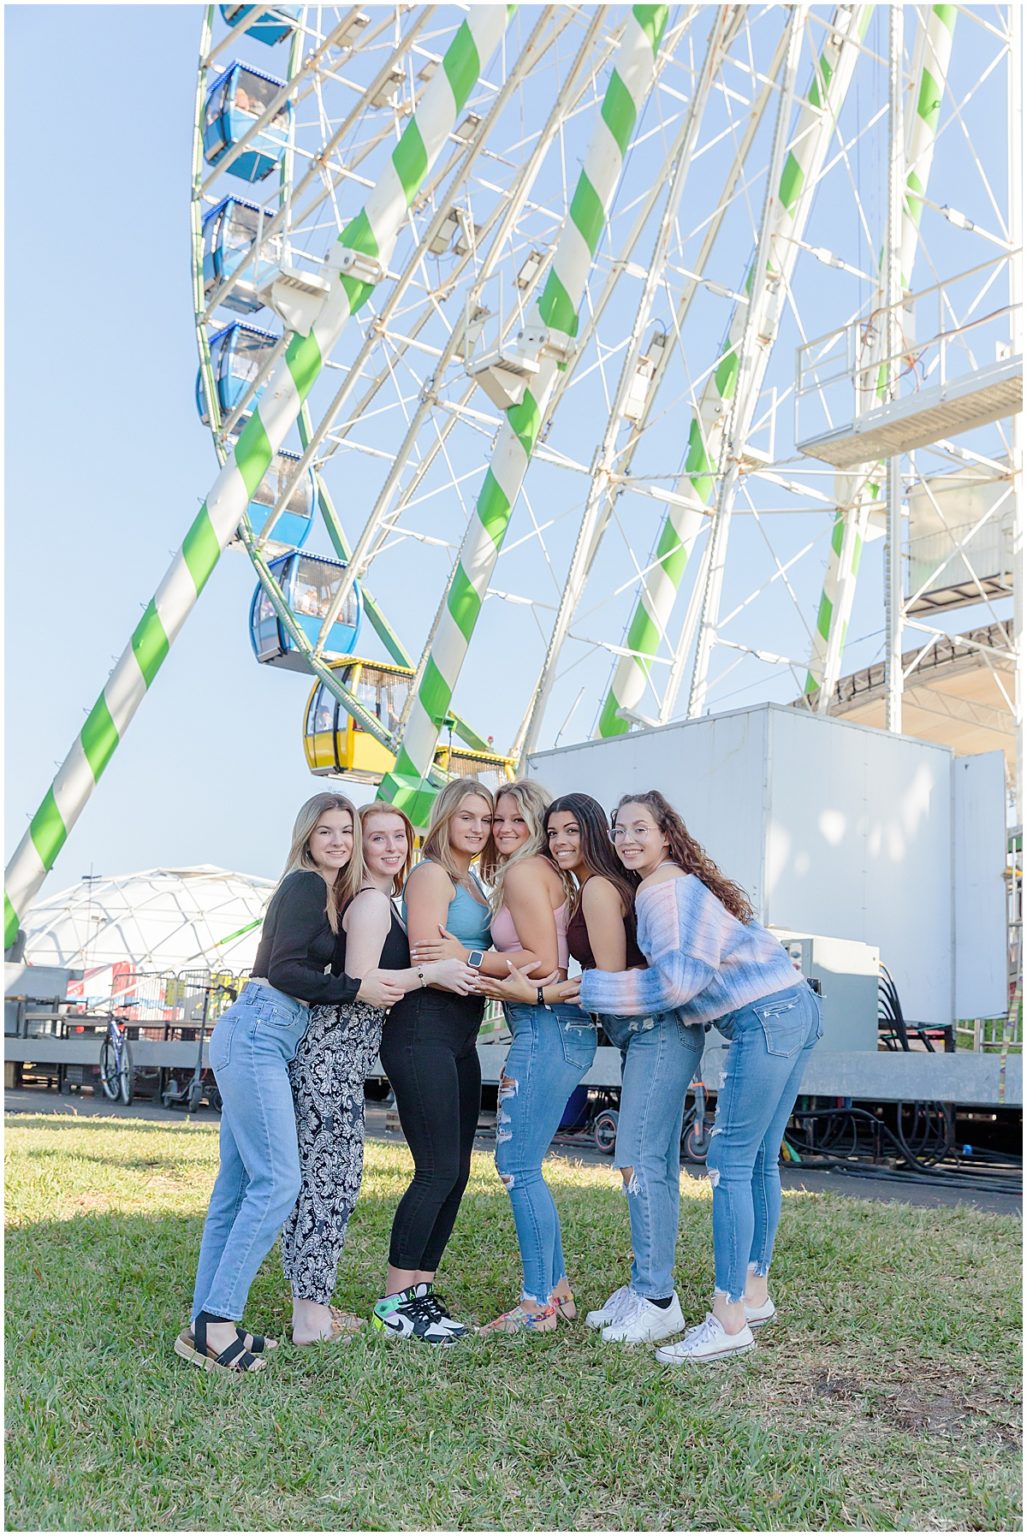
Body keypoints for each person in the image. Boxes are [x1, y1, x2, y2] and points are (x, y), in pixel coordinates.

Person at [572, 790, 822, 1364]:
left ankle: (729, 1319)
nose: (626, 839)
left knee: (730, 1165)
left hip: (766, 1016)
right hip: (795, 1007)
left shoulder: (662, 893)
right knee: (758, 1162)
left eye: (639, 828)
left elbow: (677, 984)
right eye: (618, 830)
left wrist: (586, 987)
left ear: (665, 834)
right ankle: (753, 1294)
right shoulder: (680, 882)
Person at [176, 793, 403, 1377]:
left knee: (236, 1187)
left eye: (346, 832)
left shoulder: (324, 893)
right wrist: (356, 988)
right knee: (279, 1181)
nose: (338, 842)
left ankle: (205, 1324)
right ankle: (219, 1321)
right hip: (261, 1029)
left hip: (262, 1032)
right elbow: (284, 971)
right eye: (325, 831)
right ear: (306, 837)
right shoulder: (304, 886)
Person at [281, 803, 476, 1345]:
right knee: (328, 1185)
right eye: (377, 838)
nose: (391, 848)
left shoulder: (380, 901)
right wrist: (432, 971)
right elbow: (362, 981)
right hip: (331, 1057)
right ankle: (319, 1318)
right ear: (361, 848)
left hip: (345, 1059)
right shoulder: (369, 902)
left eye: (399, 837)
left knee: (331, 1183)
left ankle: (316, 1307)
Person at [468, 781, 594, 1334]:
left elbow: (542, 962)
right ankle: (557, 1295)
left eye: (518, 820)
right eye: (498, 820)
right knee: (525, 1166)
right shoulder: (545, 872)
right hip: (552, 1027)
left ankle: (537, 1305)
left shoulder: (523, 872)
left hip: (546, 1026)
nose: (504, 830)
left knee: (517, 1167)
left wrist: (471, 956)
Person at [372, 779, 494, 1345]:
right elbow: (426, 949)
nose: (478, 828)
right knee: (436, 1169)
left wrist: (478, 962)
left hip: (460, 1035)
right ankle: (394, 1301)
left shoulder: (474, 882)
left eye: (487, 820)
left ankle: (420, 1294)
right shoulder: (430, 875)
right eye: (466, 817)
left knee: (460, 1171)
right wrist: (502, 969)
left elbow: (463, 958)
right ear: (444, 819)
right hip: (421, 1031)